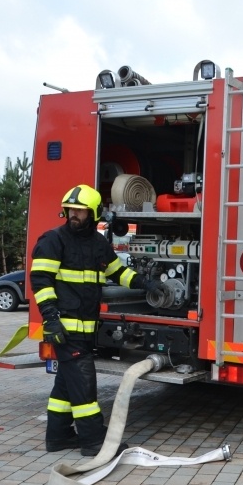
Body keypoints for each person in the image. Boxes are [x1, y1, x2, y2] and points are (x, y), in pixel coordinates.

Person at [31, 184, 161, 456]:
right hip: (64, 328)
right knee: (84, 385)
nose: (74, 215)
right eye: (71, 210)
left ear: (93, 214)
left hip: (85, 329)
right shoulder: (53, 240)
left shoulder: (98, 243)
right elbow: (41, 282)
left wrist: (143, 284)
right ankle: (93, 441)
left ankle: (58, 436)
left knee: (66, 384)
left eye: (80, 211)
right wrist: (51, 319)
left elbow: (117, 272)